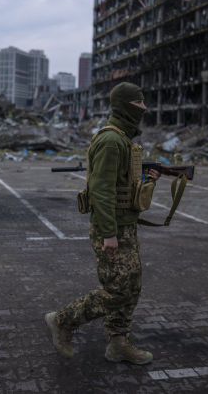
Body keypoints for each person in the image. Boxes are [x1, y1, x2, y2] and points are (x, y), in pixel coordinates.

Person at [44, 82, 160, 365]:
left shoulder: (124, 139)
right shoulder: (111, 141)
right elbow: (101, 189)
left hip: (125, 226)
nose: (144, 108)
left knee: (131, 288)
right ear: (124, 105)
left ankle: (119, 343)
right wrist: (109, 233)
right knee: (117, 290)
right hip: (112, 230)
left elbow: (121, 185)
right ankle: (62, 320)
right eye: (139, 103)